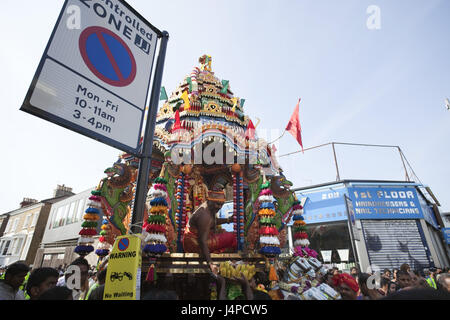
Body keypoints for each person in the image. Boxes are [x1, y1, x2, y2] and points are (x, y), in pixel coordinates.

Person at [183, 188, 236, 273]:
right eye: (217, 204)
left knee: (223, 232)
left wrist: (228, 220)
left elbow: (212, 222)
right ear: (210, 201)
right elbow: (202, 242)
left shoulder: (208, 207)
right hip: (194, 244)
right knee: (233, 236)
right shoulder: (205, 215)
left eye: (221, 204)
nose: (219, 207)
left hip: (193, 240)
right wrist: (211, 264)